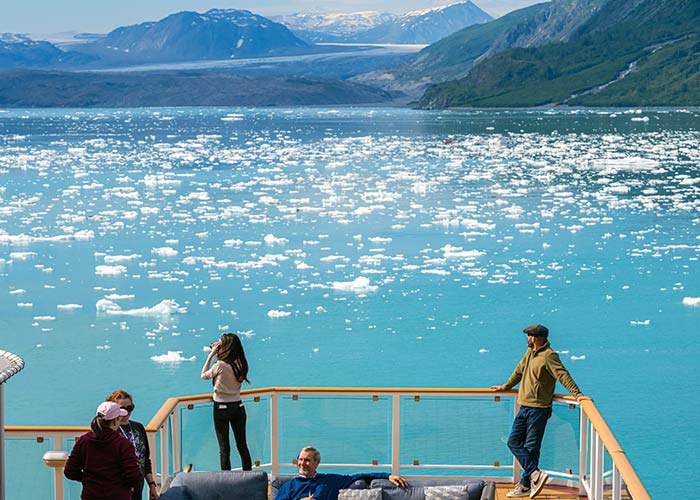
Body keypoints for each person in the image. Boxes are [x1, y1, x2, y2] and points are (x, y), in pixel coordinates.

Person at [491, 324, 591, 499]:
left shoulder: (549, 356)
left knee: (531, 448)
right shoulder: (530, 352)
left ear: (536, 337)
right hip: (524, 406)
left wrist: (578, 395)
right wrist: (505, 386)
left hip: (539, 409)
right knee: (513, 442)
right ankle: (535, 474)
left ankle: (525, 485)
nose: (527, 339)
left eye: (529, 336)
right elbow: (519, 371)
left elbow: (563, 375)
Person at [65, 401, 143, 500]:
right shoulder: (123, 445)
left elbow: (69, 471)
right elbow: (134, 477)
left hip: (90, 495)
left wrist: (87, 479)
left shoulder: (84, 441)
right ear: (115, 421)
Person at [275, 446, 408, 500]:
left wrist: (387, 475)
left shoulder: (329, 481)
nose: (302, 463)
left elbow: (360, 476)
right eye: (300, 460)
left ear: (317, 463)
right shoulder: (289, 486)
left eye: (307, 460)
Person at [201, 332, 253, 470]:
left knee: (224, 449)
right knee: (242, 445)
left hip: (221, 408)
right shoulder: (241, 363)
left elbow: (204, 375)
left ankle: (226, 481)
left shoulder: (220, 365)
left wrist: (211, 354)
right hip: (238, 406)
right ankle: (248, 476)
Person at [106, 389, 160, 500]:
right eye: (122, 409)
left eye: (130, 408)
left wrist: (152, 485)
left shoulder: (138, 427)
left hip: (138, 488)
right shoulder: (110, 431)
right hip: (118, 489)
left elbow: (145, 460)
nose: (127, 412)